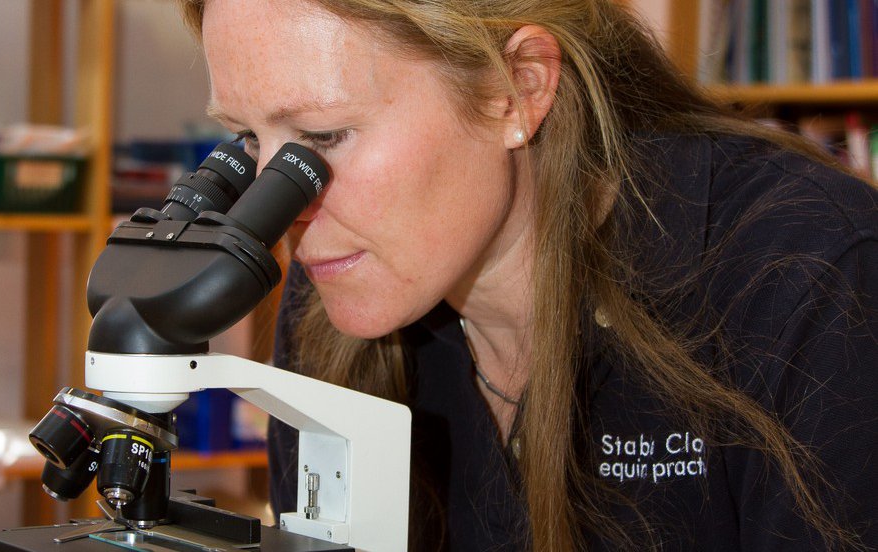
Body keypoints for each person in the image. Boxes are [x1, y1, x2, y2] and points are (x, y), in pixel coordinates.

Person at [178, 0, 878, 550]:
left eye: (322, 136)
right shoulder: (340, 283)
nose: (277, 211)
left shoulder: (807, 270)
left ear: (518, 88)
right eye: (246, 138)